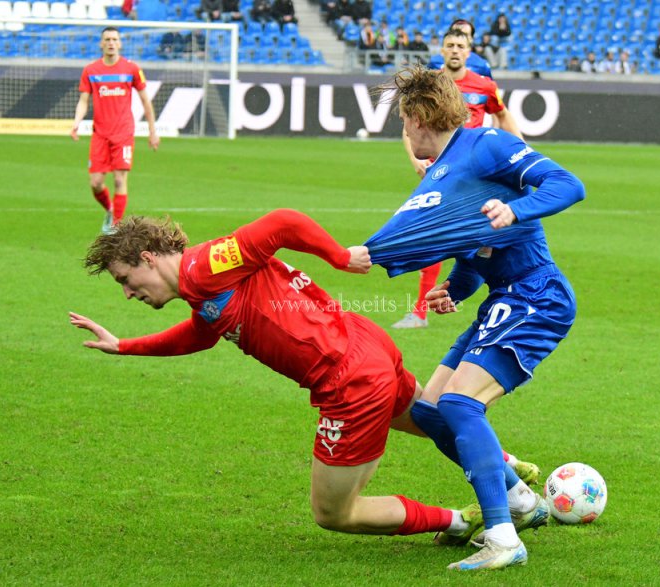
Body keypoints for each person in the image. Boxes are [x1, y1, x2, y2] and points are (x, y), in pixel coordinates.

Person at [68, 209, 490, 557]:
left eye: (124, 279)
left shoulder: (202, 267)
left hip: (347, 379)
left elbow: (282, 223)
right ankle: (510, 481)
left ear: (147, 259)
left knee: (333, 513)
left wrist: (340, 257)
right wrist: (124, 345)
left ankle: (459, 519)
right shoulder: (202, 286)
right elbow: (198, 334)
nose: (127, 293)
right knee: (429, 423)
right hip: (363, 345)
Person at [365, 65, 586, 570]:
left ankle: (504, 540)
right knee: (430, 411)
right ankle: (521, 502)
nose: (404, 133)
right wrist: (456, 290)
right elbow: (476, 251)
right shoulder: (448, 169)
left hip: (536, 296)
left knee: (462, 405)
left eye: (404, 121)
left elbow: (569, 184)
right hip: (503, 300)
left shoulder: (485, 144)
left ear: (420, 116)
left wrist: (519, 211)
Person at [393, 28, 522, 331]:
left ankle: (497, 302)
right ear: (441, 49)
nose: (454, 50)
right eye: (449, 45)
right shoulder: (430, 84)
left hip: (474, 176)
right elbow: (409, 125)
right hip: (439, 173)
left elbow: (502, 116)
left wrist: (521, 151)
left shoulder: (485, 86)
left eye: (460, 46)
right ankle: (422, 311)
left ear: (469, 51)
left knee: (484, 239)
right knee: (435, 236)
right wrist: (417, 160)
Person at [71, 27, 160, 235]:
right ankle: (110, 210)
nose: (111, 42)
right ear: (101, 44)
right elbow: (83, 101)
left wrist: (152, 131)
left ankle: (117, 228)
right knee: (96, 183)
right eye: (107, 39)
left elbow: (146, 101)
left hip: (123, 134)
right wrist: (76, 123)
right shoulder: (91, 70)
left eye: (114, 39)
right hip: (100, 134)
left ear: (120, 43)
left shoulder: (131, 69)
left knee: (120, 180)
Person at [427, 19, 493, 77]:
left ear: (472, 39)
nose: (459, 38)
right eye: (456, 33)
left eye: (465, 35)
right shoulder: (435, 62)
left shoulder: (481, 65)